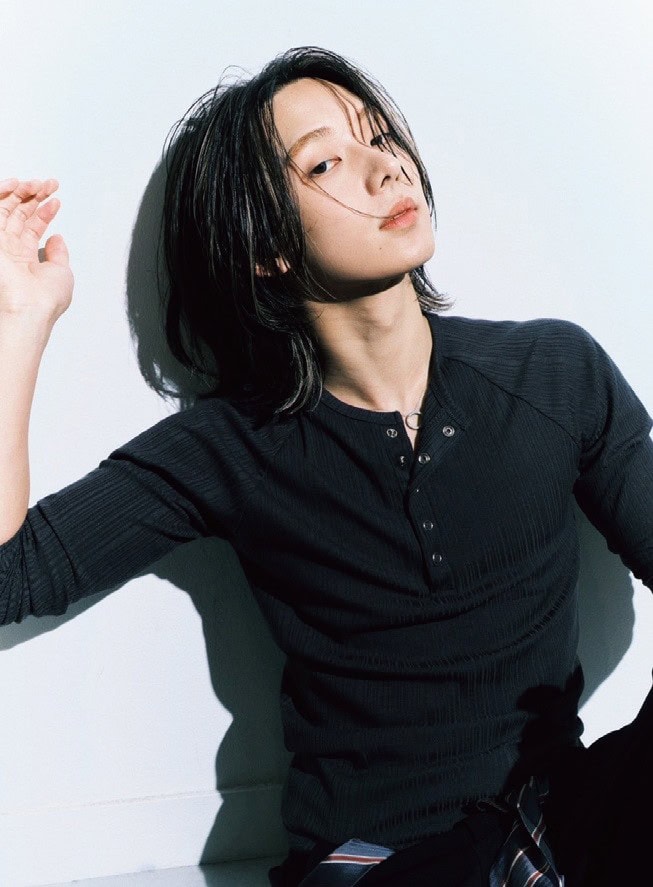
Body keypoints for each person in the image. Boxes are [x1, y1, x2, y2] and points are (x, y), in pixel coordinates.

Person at [1, 46, 652, 887]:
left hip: (555, 829)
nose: (385, 168)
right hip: (379, 865)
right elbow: (10, 573)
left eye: (380, 137)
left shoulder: (552, 373)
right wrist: (20, 325)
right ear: (266, 246)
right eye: (324, 162)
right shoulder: (229, 447)